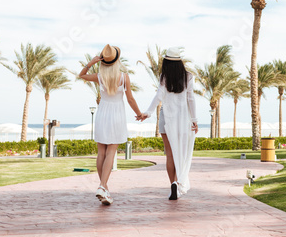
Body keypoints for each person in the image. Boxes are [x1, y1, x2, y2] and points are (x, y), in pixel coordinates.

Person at [79, 44, 143, 205]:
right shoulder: (123, 77)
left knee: (101, 152)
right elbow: (130, 99)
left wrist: (91, 63)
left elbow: (82, 75)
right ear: (117, 60)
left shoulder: (99, 76)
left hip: (102, 114)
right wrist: (139, 113)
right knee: (111, 152)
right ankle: (102, 186)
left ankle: (104, 187)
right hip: (117, 115)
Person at [140, 47, 198, 200]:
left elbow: (158, 96)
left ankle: (172, 183)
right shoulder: (188, 77)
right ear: (180, 62)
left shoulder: (164, 77)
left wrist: (148, 112)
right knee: (182, 153)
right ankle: (179, 184)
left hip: (167, 119)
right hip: (183, 120)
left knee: (170, 154)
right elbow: (191, 99)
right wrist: (194, 120)